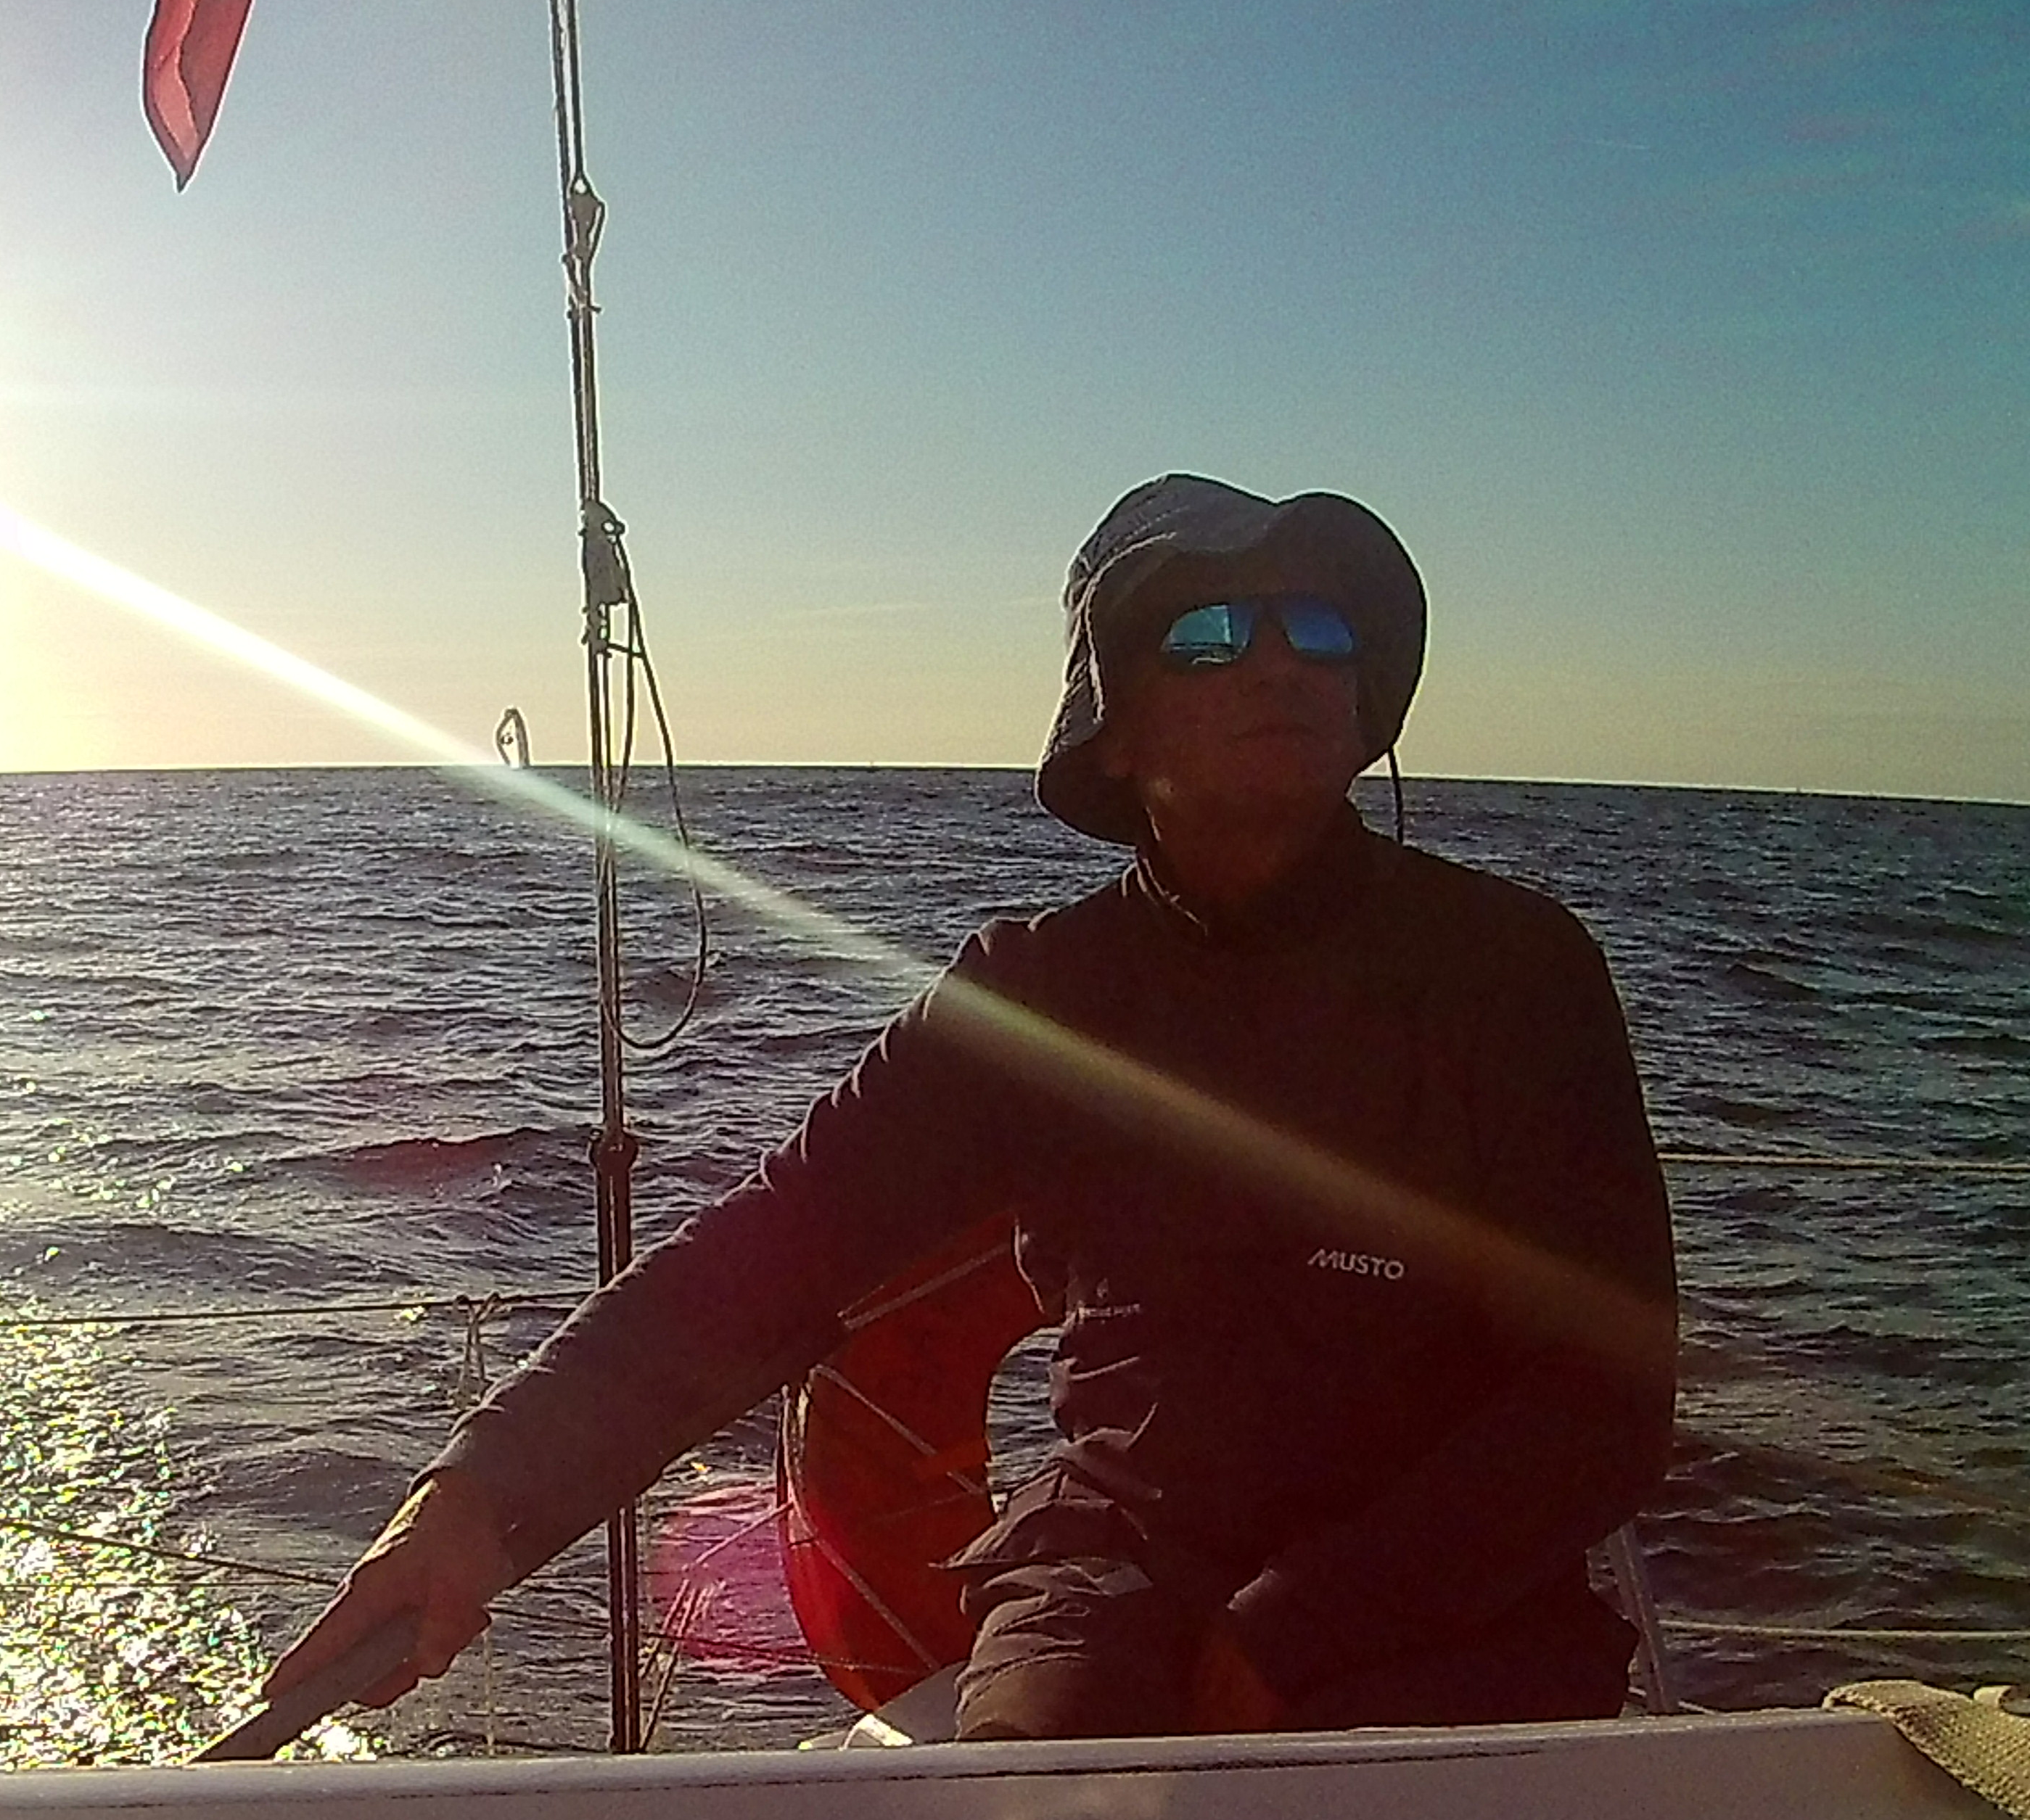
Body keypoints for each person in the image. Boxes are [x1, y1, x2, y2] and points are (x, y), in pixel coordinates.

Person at [271, 473, 1679, 1740]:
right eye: (1208, 633)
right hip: (1117, 1573)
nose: (1275, 660)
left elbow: (1603, 1400)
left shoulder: (1519, 972)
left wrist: (1302, 1627)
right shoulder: (1040, 995)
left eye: (1318, 629)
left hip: (1449, 1597)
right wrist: (472, 1497)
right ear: (1113, 732)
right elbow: (765, 1258)